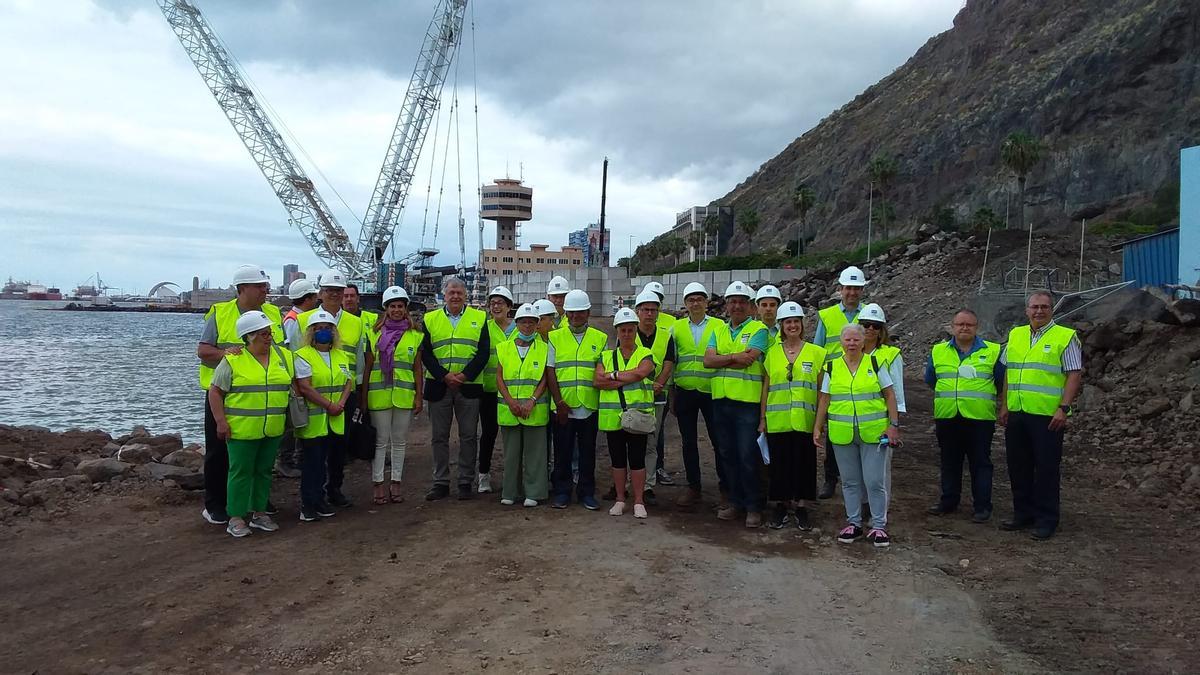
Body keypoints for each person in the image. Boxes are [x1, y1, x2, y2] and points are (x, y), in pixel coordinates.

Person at [196, 264, 283, 526]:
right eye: (260, 286)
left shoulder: (273, 313)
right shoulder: (220, 313)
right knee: (219, 452)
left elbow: (281, 349)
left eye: (266, 286)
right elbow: (203, 351)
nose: (265, 290)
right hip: (222, 395)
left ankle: (256, 502)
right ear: (242, 288)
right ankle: (215, 505)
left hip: (261, 396)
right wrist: (230, 356)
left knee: (258, 452)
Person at [998, 290, 1082, 540]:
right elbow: (1009, 373)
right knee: (1018, 466)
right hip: (1018, 412)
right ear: (1027, 310)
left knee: (1046, 469)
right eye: (1034, 307)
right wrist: (1004, 405)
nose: (1039, 311)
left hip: (1048, 416)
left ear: (1052, 309)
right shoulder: (1016, 335)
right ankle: (1023, 514)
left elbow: (1074, 374)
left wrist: (1063, 408)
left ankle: (1046, 520)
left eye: (1044, 307)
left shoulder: (1065, 337)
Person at [206, 310, 294, 537]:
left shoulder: (283, 357)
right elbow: (215, 392)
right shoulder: (233, 360)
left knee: (264, 471)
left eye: (269, 332)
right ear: (250, 336)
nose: (269, 336)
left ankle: (259, 513)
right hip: (242, 429)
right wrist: (220, 422)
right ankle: (235, 517)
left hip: (272, 427)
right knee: (240, 472)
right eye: (264, 333)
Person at [813, 324, 901, 548]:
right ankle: (854, 523)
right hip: (843, 434)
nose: (851, 344)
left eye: (855, 340)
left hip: (873, 433)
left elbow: (890, 395)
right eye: (847, 340)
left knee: (874, 481)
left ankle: (879, 526)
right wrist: (818, 427)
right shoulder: (832, 367)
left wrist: (893, 425)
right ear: (841, 343)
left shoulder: (875, 363)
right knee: (850, 482)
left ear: (863, 342)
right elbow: (824, 398)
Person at [925, 309, 1003, 523]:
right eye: (960, 324)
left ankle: (982, 506)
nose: (964, 328)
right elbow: (931, 379)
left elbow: (1000, 381)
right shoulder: (938, 351)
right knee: (949, 461)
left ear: (976, 327)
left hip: (979, 418)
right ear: (953, 327)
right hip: (948, 415)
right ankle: (948, 501)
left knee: (980, 463)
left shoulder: (993, 351)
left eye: (969, 324)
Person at [704, 281, 770, 528]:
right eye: (733, 301)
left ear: (751, 306)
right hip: (721, 402)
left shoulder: (758, 329)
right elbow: (708, 361)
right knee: (727, 454)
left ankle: (753, 505)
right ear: (726, 305)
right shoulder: (719, 330)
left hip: (747, 404)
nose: (737, 306)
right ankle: (735, 501)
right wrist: (734, 356)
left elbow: (749, 359)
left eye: (742, 301)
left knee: (747, 456)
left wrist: (724, 359)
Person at [297, 270, 363, 508]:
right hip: (312, 395)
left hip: (345, 395)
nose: (334, 295)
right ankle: (312, 497)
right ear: (320, 293)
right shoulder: (304, 320)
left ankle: (334, 489)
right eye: (329, 291)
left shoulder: (356, 322)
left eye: (338, 291)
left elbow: (360, 359)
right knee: (313, 450)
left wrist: (356, 393)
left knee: (338, 448)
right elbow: (296, 355)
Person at [420, 276, 490, 501]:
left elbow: (483, 353)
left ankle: (465, 481)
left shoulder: (479, 318)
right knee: (439, 437)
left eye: (459, 292)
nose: (456, 296)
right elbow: (427, 353)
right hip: (439, 386)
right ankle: (440, 482)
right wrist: (444, 375)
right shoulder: (430, 319)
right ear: (444, 294)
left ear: (466, 294)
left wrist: (464, 375)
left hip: (468, 386)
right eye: (452, 292)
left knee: (469, 436)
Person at [759, 302, 825, 530]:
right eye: (788, 322)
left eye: (796, 321)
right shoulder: (772, 353)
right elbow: (766, 387)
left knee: (804, 464)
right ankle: (781, 505)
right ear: (781, 326)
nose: (792, 325)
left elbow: (821, 391)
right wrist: (762, 419)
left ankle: (802, 506)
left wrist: (819, 422)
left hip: (805, 421)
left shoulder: (817, 353)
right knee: (780, 466)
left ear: (802, 324)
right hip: (778, 420)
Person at [361, 286, 424, 506]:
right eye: (392, 306)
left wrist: (418, 397)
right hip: (379, 396)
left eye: (400, 306)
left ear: (406, 309)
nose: (396, 310)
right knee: (380, 442)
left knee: (399, 442)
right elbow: (368, 368)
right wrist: (364, 398)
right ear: (385, 309)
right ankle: (378, 483)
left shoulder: (415, 336)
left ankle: (396, 481)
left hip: (404, 396)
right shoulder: (373, 334)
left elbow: (417, 369)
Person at [546, 289, 606, 510]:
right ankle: (562, 492)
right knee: (562, 451)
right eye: (571, 313)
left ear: (588, 312)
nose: (575, 317)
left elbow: (601, 370)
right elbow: (550, 371)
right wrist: (559, 401)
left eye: (580, 312)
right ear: (566, 313)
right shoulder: (555, 337)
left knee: (588, 452)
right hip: (564, 406)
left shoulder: (599, 338)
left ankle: (586, 492)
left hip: (589, 405)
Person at [595, 308, 656, 518]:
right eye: (623, 330)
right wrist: (624, 377)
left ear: (636, 330)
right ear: (617, 332)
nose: (627, 334)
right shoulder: (606, 355)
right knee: (618, 460)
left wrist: (612, 376)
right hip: (614, 418)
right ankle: (620, 498)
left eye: (631, 330)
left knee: (637, 460)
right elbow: (597, 381)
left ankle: (639, 501)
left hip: (638, 417)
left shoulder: (645, 354)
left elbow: (642, 373)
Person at [293, 309, 352, 522]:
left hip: (335, 418)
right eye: (319, 329)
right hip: (314, 419)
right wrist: (329, 405)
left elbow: (348, 382)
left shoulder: (341, 354)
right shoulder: (303, 355)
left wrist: (342, 403)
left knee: (329, 461)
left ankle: (321, 500)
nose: (324, 332)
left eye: (327, 328)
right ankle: (308, 504)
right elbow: (305, 387)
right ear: (311, 332)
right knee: (312, 464)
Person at [671, 281, 726, 509]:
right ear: (685, 304)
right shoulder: (676, 328)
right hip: (685, 391)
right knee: (688, 442)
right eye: (691, 300)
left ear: (706, 302)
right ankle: (694, 487)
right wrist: (673, 394)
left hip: (712, 391)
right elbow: (672, 362)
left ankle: (725, 488)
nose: (695, 303)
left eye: (699, 299)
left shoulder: (719, 326)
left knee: (718, 441)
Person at [815, 265, 867, 499]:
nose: (852, 293)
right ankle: (831, 479)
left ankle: (859, 479)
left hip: (863, 381)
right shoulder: (826, 316)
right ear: (840, 289)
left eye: (857, 288)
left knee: (862, 430)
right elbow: (818, 351)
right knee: (834, 432)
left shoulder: (869, 315)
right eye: (849, 288)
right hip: (834, 382)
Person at [496, 303, 551, 507]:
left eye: (531, 322)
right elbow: (499, 378)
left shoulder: (545, 349)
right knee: (511, 453)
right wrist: (511, 401)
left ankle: (533, 492)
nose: (527, 326)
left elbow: (545, 378)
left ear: (537, 325)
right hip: (510, 409)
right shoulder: (504, 348)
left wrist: (532, 401)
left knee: (535, 453)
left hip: (534, 409)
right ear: (517, 323)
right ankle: (510, 491)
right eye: (523, 322)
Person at [634, 288, 675, 506]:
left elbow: (669, 362)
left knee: (651, 442)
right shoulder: (628, 332)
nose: (649, 313)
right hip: (633, 397)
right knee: (630, 440)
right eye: (645, 310)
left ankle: (647, 486)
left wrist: (659, 382)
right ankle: (625, 483)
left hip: (657, 397)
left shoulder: (666, 336)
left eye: (653, 310)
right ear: (637, 311)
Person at [277, 277, 320, 479]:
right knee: (292, 419)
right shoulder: (295, 321)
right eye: (314, 297)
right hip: (297, 376)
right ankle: (285, 461)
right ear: (308, 298)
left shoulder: (295, 318)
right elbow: (294, 350)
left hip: (301, 374)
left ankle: (297, 457)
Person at [478, 285, 516, 493]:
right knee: (489, 433)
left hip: (516, 392)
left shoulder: (519, 329)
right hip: (490, 391)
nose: (496, 306)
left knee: (513, 436)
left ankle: (514, 477)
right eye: (492, 303)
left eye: (500, 302)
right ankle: (483, 475)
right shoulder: (484, 328)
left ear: (509, 306)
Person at [283, 278, 319, 350]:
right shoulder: (292, 320)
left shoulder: (300, 316)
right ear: (307, 300)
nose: (316, 300)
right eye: (315, 297)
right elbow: (289, 346)